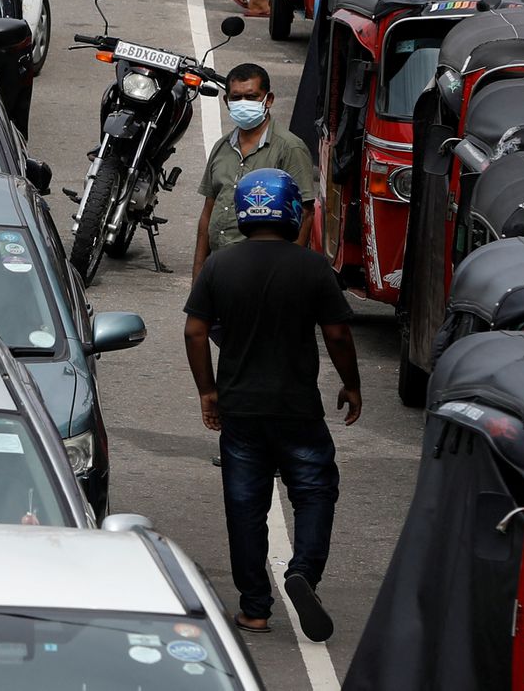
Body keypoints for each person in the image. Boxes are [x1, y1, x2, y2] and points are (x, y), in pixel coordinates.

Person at [184, 167, 360, 642]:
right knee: (315, 492)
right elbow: (339, 333)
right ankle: (302, 571)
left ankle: (255, 609)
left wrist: (207, 390)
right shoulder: (312, 268)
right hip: (297, 409)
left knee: (245, 506)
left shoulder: (221, 266)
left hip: (240, 411)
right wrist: (352, 384)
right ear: (287, 211)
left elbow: (195, 331)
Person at [192, 62, 316, 277]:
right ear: (226, 101)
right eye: (236, 98)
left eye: (251, 97)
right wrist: (199, 273)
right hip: (219, 267)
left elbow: (305, 213)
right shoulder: (221, 147)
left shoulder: (289, 148)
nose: (243, 103)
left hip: (263, 271)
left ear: (268, 100)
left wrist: (288, 274)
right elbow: (208, 212)